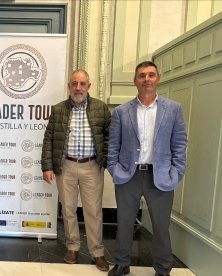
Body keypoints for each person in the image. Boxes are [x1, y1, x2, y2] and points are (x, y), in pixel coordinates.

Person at [107, 61, 187, 276]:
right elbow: (112, 145)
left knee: (161, 227)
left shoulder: (173, 109)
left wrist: (177, 172)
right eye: (142, 75)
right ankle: (122, 264)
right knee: (124, 223)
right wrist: (114, 169)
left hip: (160, 176)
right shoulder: (122, 112)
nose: (147, 79)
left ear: (158, 78)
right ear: (135, 81)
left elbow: (179, 143)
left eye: (151, 75)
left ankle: (162, 269)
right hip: (128, 176)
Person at [41, 69, 111, 271]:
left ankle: (97, 252)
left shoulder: (101, 108)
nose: (78, 88)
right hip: (66, 166)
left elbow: (109, 136)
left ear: (89, 86)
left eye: (82, 84)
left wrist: (104, 160)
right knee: (69, 209)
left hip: (92, 166)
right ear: (69, 87)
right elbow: (48, 139)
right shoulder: (58, 109)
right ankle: (72, 246)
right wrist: (47, 166)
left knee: (93, 212)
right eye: (74, 84)